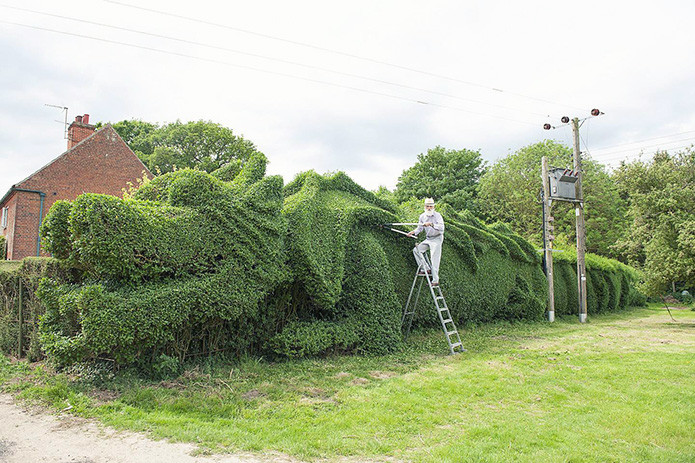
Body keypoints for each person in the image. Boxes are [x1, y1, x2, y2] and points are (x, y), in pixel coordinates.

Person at [406, 198, 444, 286]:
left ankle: (435, 281)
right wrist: (413, 232)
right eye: (427, 206)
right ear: (425, 207)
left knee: (434, 259)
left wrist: (431, 224)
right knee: (416, 250)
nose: (429, 208)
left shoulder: (437, 216)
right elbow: (419, 228)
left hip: (437, 238)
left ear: (433, 207)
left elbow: (442, 228)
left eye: (431, 206)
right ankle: (425, 268)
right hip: (428, 238)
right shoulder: (422, 216)